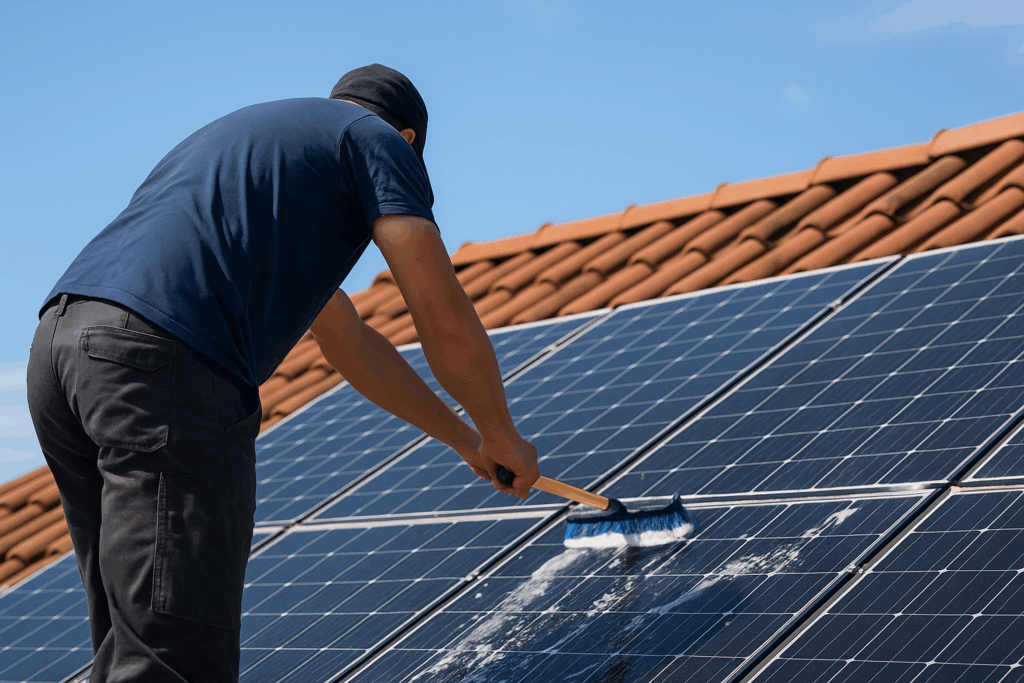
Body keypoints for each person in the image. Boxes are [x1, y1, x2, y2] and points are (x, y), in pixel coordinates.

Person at [26, 64, 539, 682]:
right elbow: (439, 310)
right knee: (176, 654)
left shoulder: (270, 153)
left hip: (62, 349)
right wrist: (500, 428)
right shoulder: (375, 141)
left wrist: (467, 441)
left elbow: (349, 342)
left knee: (132, 640)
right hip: (163, 362)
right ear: (408, 141)